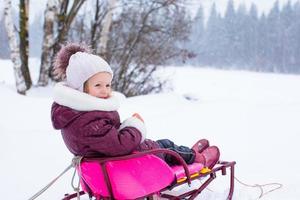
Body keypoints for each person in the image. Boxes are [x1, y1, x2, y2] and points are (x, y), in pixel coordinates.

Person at [51, 43, 220, 168]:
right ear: (81, 88)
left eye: (108, 85)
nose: (105, 90)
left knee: (165, 147)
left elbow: (105, 139)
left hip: (115, 163)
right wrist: (135, 126)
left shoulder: (77, 113)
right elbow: (118, 144)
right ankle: (198, 159)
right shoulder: (87, 121)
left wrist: (125, 126)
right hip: (128, 165)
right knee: (165, 146)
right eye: (98, 86)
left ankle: (188, 154)